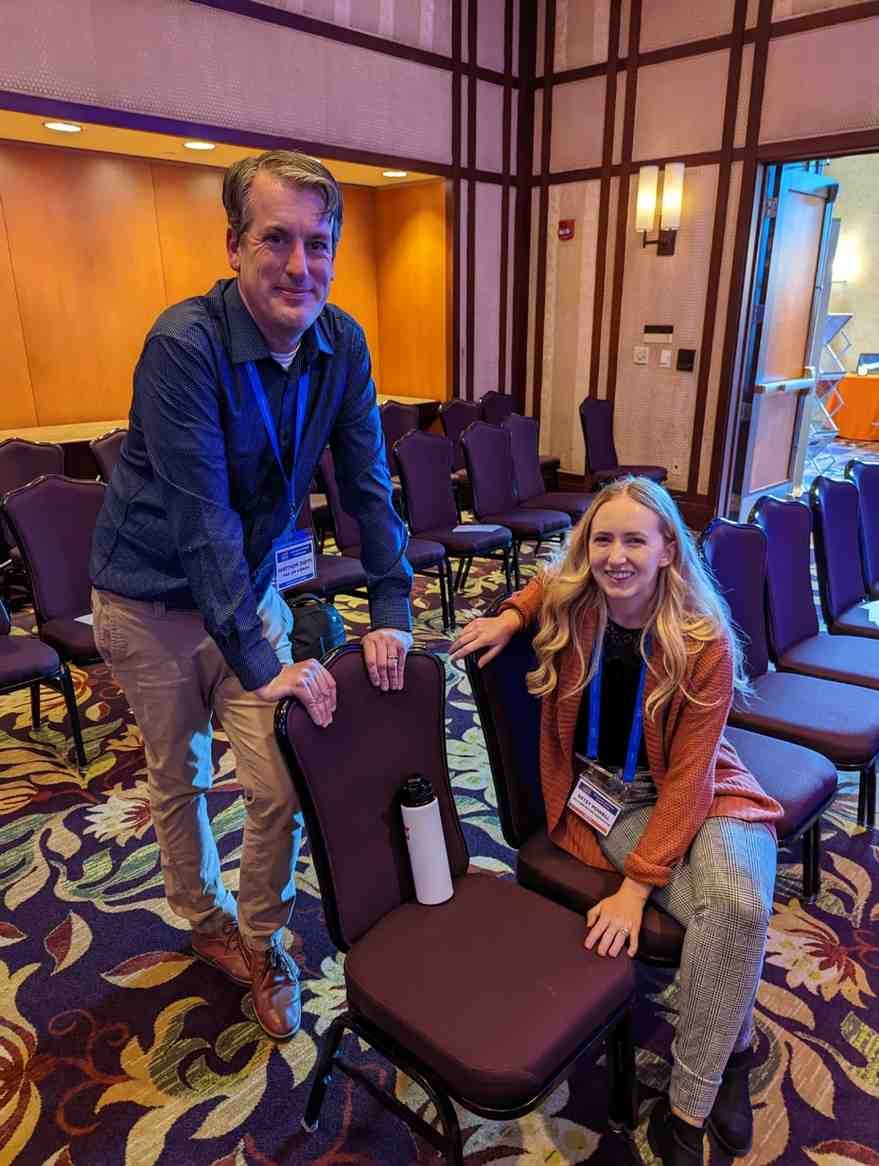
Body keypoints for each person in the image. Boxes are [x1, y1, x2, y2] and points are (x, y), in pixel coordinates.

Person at [90, 150, 413, 1041]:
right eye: (276, 239)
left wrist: (392, 608)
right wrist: (266, 663)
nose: (299, 265)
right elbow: (203, 525)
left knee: (278, 783)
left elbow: (368, 487)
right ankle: (204, 919)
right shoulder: (183, 346)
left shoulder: (341, 343)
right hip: (149, 604)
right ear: (234, 245)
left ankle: (261, 938)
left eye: (318, 243)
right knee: (181, 776)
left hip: (250, 590)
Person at [450, 477, 782, 1166]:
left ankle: (687, 1106)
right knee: (729, 914)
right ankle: (734, 1051)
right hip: (609, 801)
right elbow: (547, 581)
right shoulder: (576, 605)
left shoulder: (704, 641)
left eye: (635, 540)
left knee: (739, 904)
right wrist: (510, 615)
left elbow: (688, 782)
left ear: (668, 550)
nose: (616, 556)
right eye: (602, 539)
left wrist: (636, 887)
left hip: (705, 789)